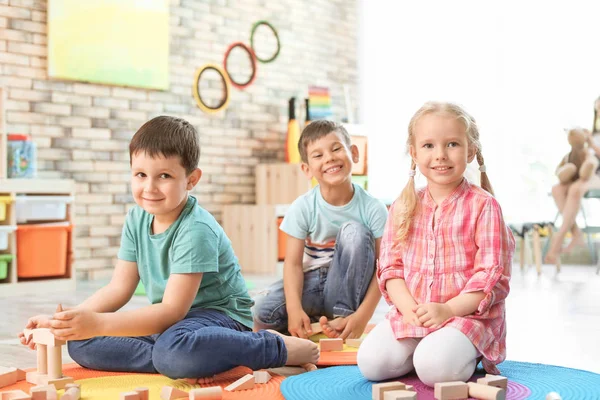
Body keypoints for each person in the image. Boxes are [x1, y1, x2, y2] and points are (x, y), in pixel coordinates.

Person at [19, 116, 318, 379]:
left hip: (218, 318)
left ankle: (270, 346)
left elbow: (172, 310)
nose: (149, 187)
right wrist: (66, 323)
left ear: (191, 180)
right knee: (81, 342)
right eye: (140, 174)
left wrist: (98, 322)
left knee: (171, 348)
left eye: (164, 176)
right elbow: (118, 289)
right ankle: (194, 359)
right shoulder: (137, 218)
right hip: (174, 326)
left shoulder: (195, 228)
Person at [357, 102, 515, 387]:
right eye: (428, 145)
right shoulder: (403, 206)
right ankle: (426, 348)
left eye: (452, 144)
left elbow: (491, 279)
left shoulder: (485, 206)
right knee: (371, 364)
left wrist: (448, 310)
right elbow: (391, 269)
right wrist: (409, 310)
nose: (440, 155)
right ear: (414, 153)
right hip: (414, 313)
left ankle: (464, 352)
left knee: (434, 369)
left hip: (464, 316)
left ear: (470, 150)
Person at [253, 120, 389, 340]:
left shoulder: (374, 208)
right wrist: (294, 309)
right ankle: (315, 316)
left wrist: (363, 315)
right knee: (263, 313)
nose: (329, 158)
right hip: (313, 281)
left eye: (336, 149)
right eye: (318, 155)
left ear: (354, 153)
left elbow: (384, 267)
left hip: (349, 287)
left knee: (354, 232)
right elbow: (293, 264)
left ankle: (342, 315)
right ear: (307, 169)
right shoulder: (303, 207)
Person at [545, 130, 600, 264]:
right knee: (557, 189)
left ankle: (556, 244)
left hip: (593, 176)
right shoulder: (591, 133)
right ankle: (576, 232)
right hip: (577, 175)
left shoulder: (591, 150)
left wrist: (592, 145)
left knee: (576, 189)